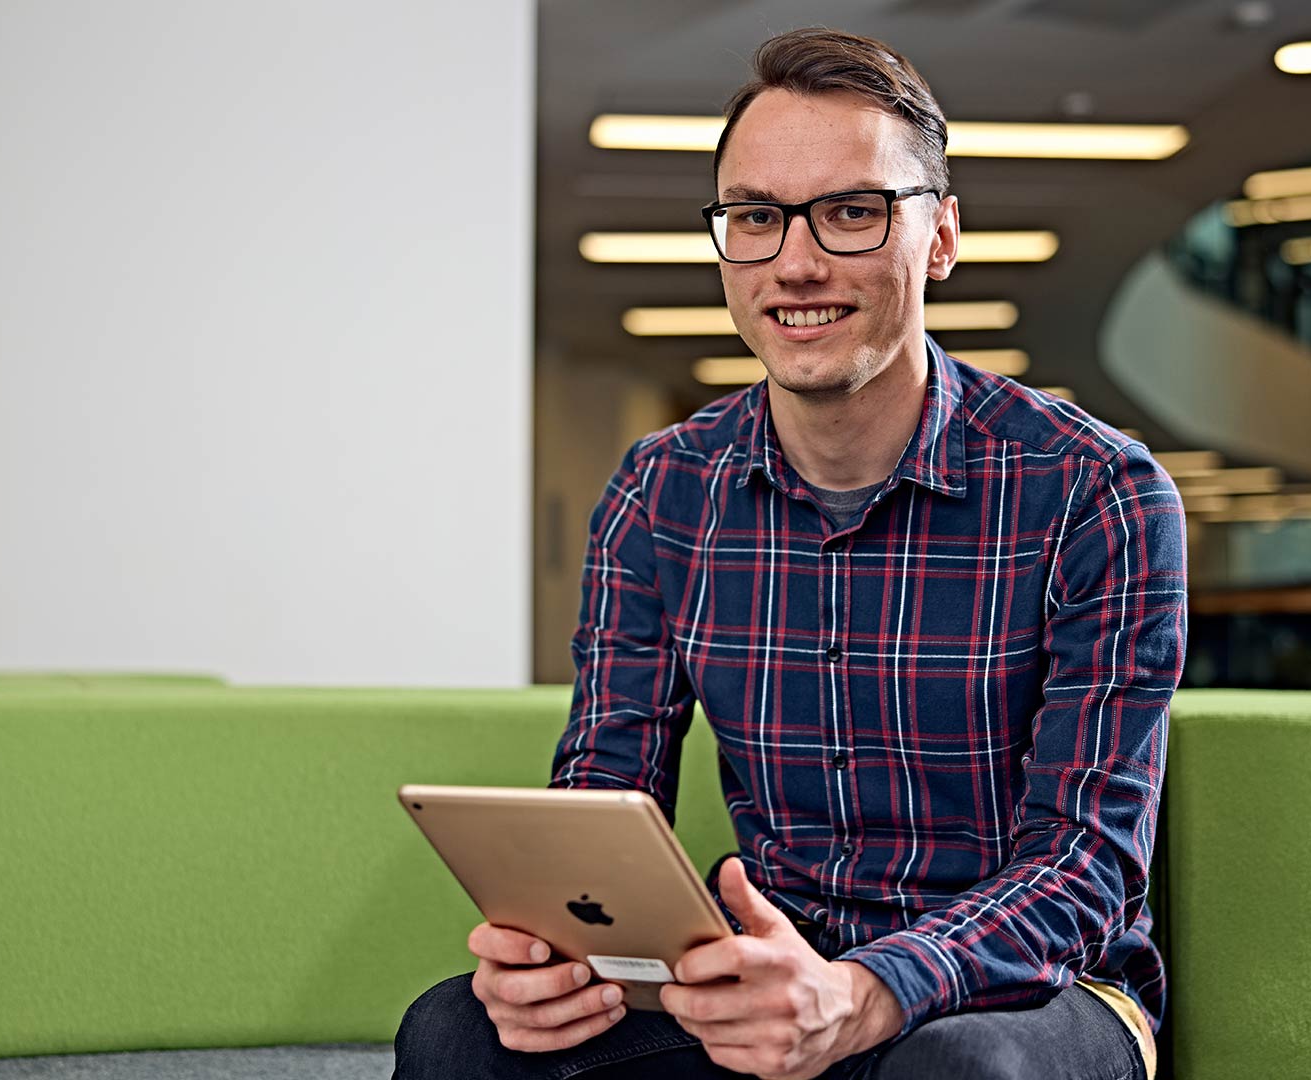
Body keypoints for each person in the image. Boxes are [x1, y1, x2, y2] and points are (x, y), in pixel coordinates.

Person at [395, 26, 1184, 1080]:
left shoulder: (1095, 489)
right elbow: (596, 804)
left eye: (853, 212)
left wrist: (866, 993)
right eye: (757, 218)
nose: (797, 262)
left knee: (961, 1074)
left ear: (939, 237)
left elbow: (1086, 867)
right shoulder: (663, 491)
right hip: (770, 964)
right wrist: (555, 951)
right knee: (457, 1034)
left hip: (1031, 989)